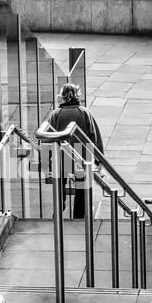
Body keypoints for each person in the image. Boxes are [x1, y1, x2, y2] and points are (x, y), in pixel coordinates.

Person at [47, 83, 103, 220]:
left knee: (59, 183)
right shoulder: (84, 112)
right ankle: (79, 215)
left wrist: (48, 160)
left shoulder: (56, 114)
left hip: (61, 155)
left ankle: (59, 208)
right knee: (82, 188)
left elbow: (48, 138)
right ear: (78, 95)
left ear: (62, 96)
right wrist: (99, 159)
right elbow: (94, 136)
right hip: (81, 156)